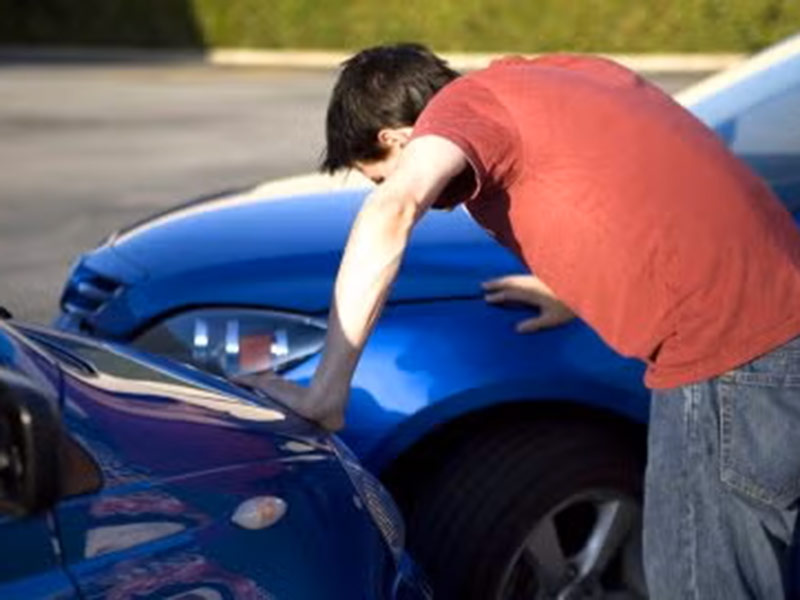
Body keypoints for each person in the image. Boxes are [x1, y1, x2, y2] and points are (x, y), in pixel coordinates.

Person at [243, 43, 800, 598]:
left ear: (398, 139)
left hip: (730, 354)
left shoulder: (460, 112)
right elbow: (631, 182)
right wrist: (575, 288)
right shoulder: (554, 77)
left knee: (700, 582)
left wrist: (325, 393)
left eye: (379, 174)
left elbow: (394, 211)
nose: (388, 185)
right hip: (781, 323)